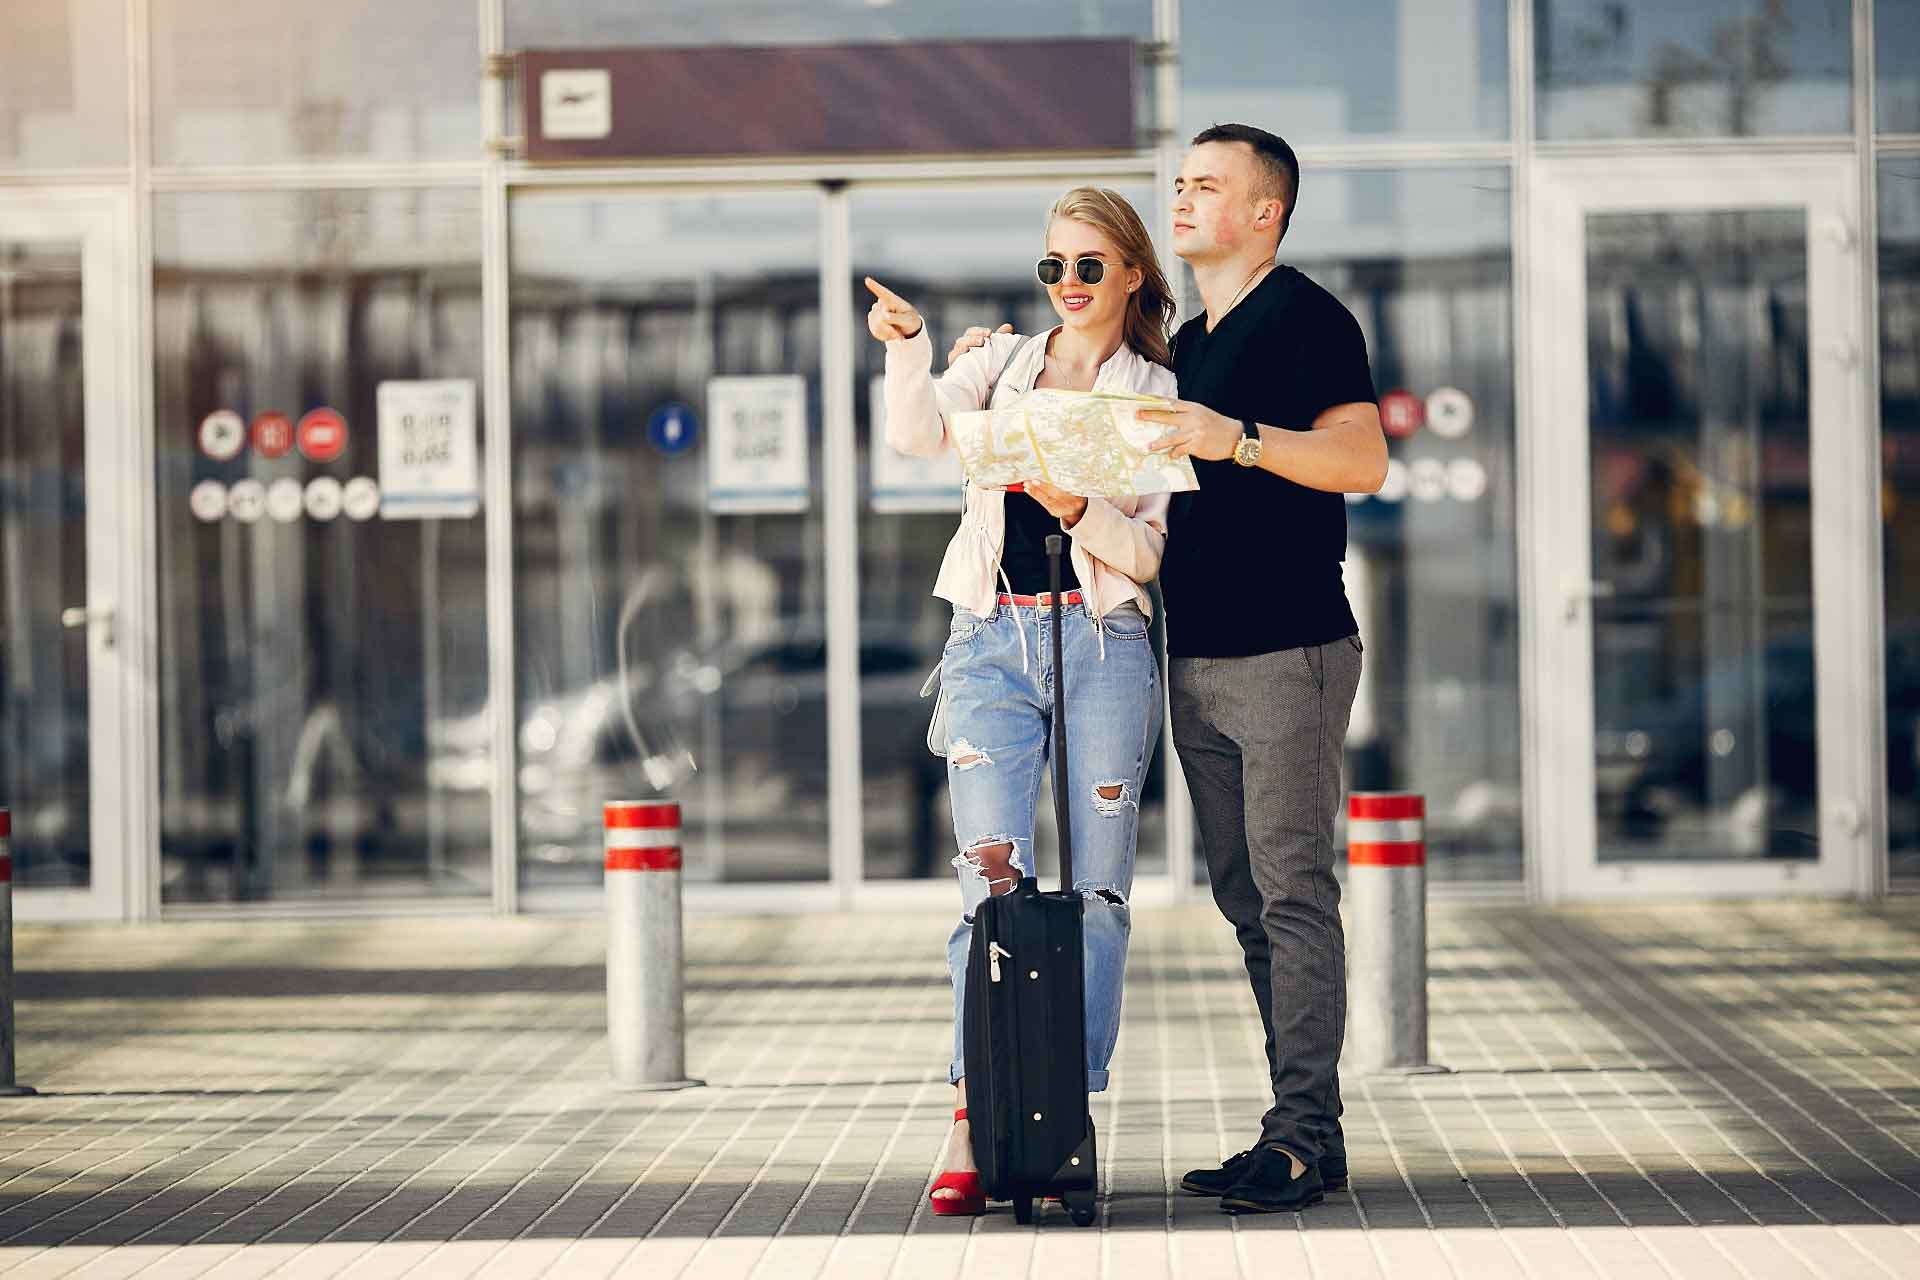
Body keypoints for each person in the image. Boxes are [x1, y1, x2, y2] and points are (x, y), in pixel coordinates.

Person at [864, 186, 1178, 1218]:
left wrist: (1082, 505)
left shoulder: (1155, 389)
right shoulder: (999, 365)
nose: (1071, 286)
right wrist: (908, 348)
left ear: (1131, 273)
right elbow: (914, 438)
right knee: (988, 885)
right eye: (1055, 267)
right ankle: (973, 1111)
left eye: (1091, 266)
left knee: (1097, 897)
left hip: (1102, 643)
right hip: (989, 639)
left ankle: (1060, 1123)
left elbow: (1148, 555)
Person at [1141, 124, 1388, 1214]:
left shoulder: (1307, 317)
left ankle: (1295, 1135)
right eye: (1180, 183)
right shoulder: (1186, 340)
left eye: (1207, 186)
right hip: (1195, 656)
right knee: (1248, 899)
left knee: (1293, 894)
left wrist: (1233, 436)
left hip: (1287, 648)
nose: (1183, 199)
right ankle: (1309, 1132)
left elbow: (1363, 459)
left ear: (1265, 212)